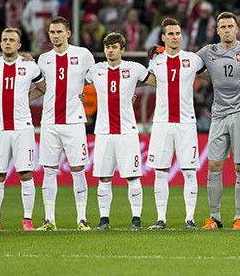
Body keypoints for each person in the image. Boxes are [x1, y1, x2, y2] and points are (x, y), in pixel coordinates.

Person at [196, 11, 240, 229]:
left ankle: (239, 218)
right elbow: (189, 66)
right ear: (217, 30)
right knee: (214, 165)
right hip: (219, 114)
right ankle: (214, 217)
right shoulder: (208, 52)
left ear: (237, 29)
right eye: (222, 27)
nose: (227, 30)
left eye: (230, 26)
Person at [0, 28, 46, 231]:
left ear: (19, 45)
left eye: (12, 40)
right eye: (4, 39)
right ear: (0, 44)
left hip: (22, 128)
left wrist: (21, 100)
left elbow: (43, 88)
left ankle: (27, 220)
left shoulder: (30, 66)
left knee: (26, 174)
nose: (7, 43)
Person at [144, 18, 204, 230]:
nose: (175, 37)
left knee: (189, 171)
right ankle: (161, 219)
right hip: (162, 122)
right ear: (163, 37)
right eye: (170, 34)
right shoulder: (155, 59)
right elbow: (150, 80)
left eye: (177, 33)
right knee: (160, 171)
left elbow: (208, 73)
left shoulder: (193, 59)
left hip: (186, 123)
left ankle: (190, 219)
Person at [36, 17, 95, 231]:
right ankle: (49, 219)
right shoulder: (43, 59)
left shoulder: (83, 55)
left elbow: (96, 80)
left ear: (68, 33)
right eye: (52, 32)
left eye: (59, 31)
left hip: (74, 121)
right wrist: (19, 98)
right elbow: (43, 87)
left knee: (78, 169)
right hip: (50, 121)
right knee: (49, 170)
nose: (55, 35)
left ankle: (82, 218)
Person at [87, 33, 150, 231]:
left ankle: (136, 219)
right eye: (107, 47)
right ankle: (104, 219)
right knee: (104, 178)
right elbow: (74, 83)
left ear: (122, 49)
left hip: (127, 131)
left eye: (114, 47)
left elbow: (158, 81)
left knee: (133, 177)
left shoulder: (135, 68)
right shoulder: (95, 70)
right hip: (104, 132)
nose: (110, 50)